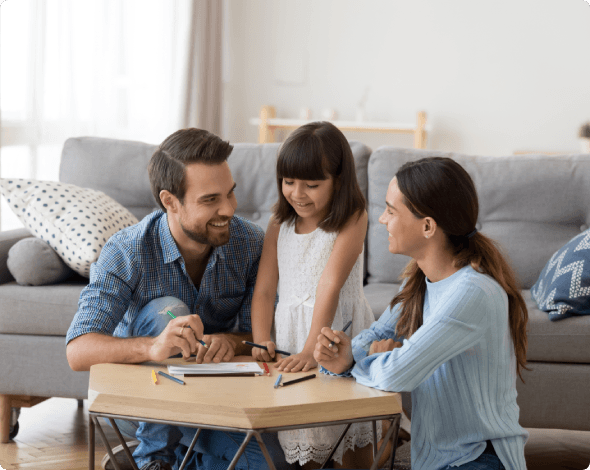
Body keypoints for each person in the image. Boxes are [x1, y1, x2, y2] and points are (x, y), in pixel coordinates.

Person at [66, 128, 292, 470]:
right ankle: (152, 460)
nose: (228, 209)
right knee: (168, 311)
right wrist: (152, 347)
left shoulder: (249, 244)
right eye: (210, 200)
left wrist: (229, 342)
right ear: (170, 201)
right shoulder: (127, 251)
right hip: (144, 404)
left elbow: (255, 337)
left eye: (230, 194)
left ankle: (182, 461)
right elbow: (78, 350)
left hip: (214, 400)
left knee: (270, 462)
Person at [314, 156, 529, 470]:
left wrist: (352, 361)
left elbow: (395, 373)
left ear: (428, 226)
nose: (383, 220)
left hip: (479, 459)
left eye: (391, 210)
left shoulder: (471, 293)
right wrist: (343, 355)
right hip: (435, 460)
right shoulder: (421, 284)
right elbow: (372, 337)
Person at [250, 121, 378, 468]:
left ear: (339, 180)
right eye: (289, 182)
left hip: (336, 331)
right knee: (306, 433)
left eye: (312, 184)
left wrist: (312, 348)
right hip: (292, 333)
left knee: (350, 430)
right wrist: (261, 341)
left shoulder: (353, 216)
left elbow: (330, 284)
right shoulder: (279, 223)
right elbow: (264, 290)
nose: (298, 193)